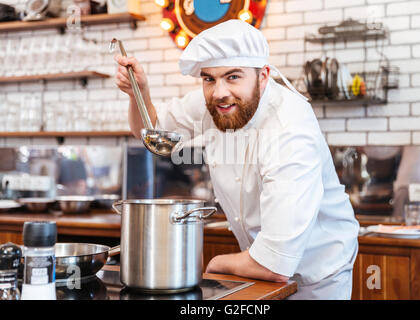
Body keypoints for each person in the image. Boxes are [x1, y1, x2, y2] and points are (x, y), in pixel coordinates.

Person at [114, 19, 359, 300]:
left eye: (233, 76)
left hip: (316, 276)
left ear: (263, 76)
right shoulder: (217, 102)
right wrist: (138, 93)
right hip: (255, 268)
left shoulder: (289, 129)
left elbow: (274, 264)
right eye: (209, 78)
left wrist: (216, 264)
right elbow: (151, 130)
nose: (219, 92)